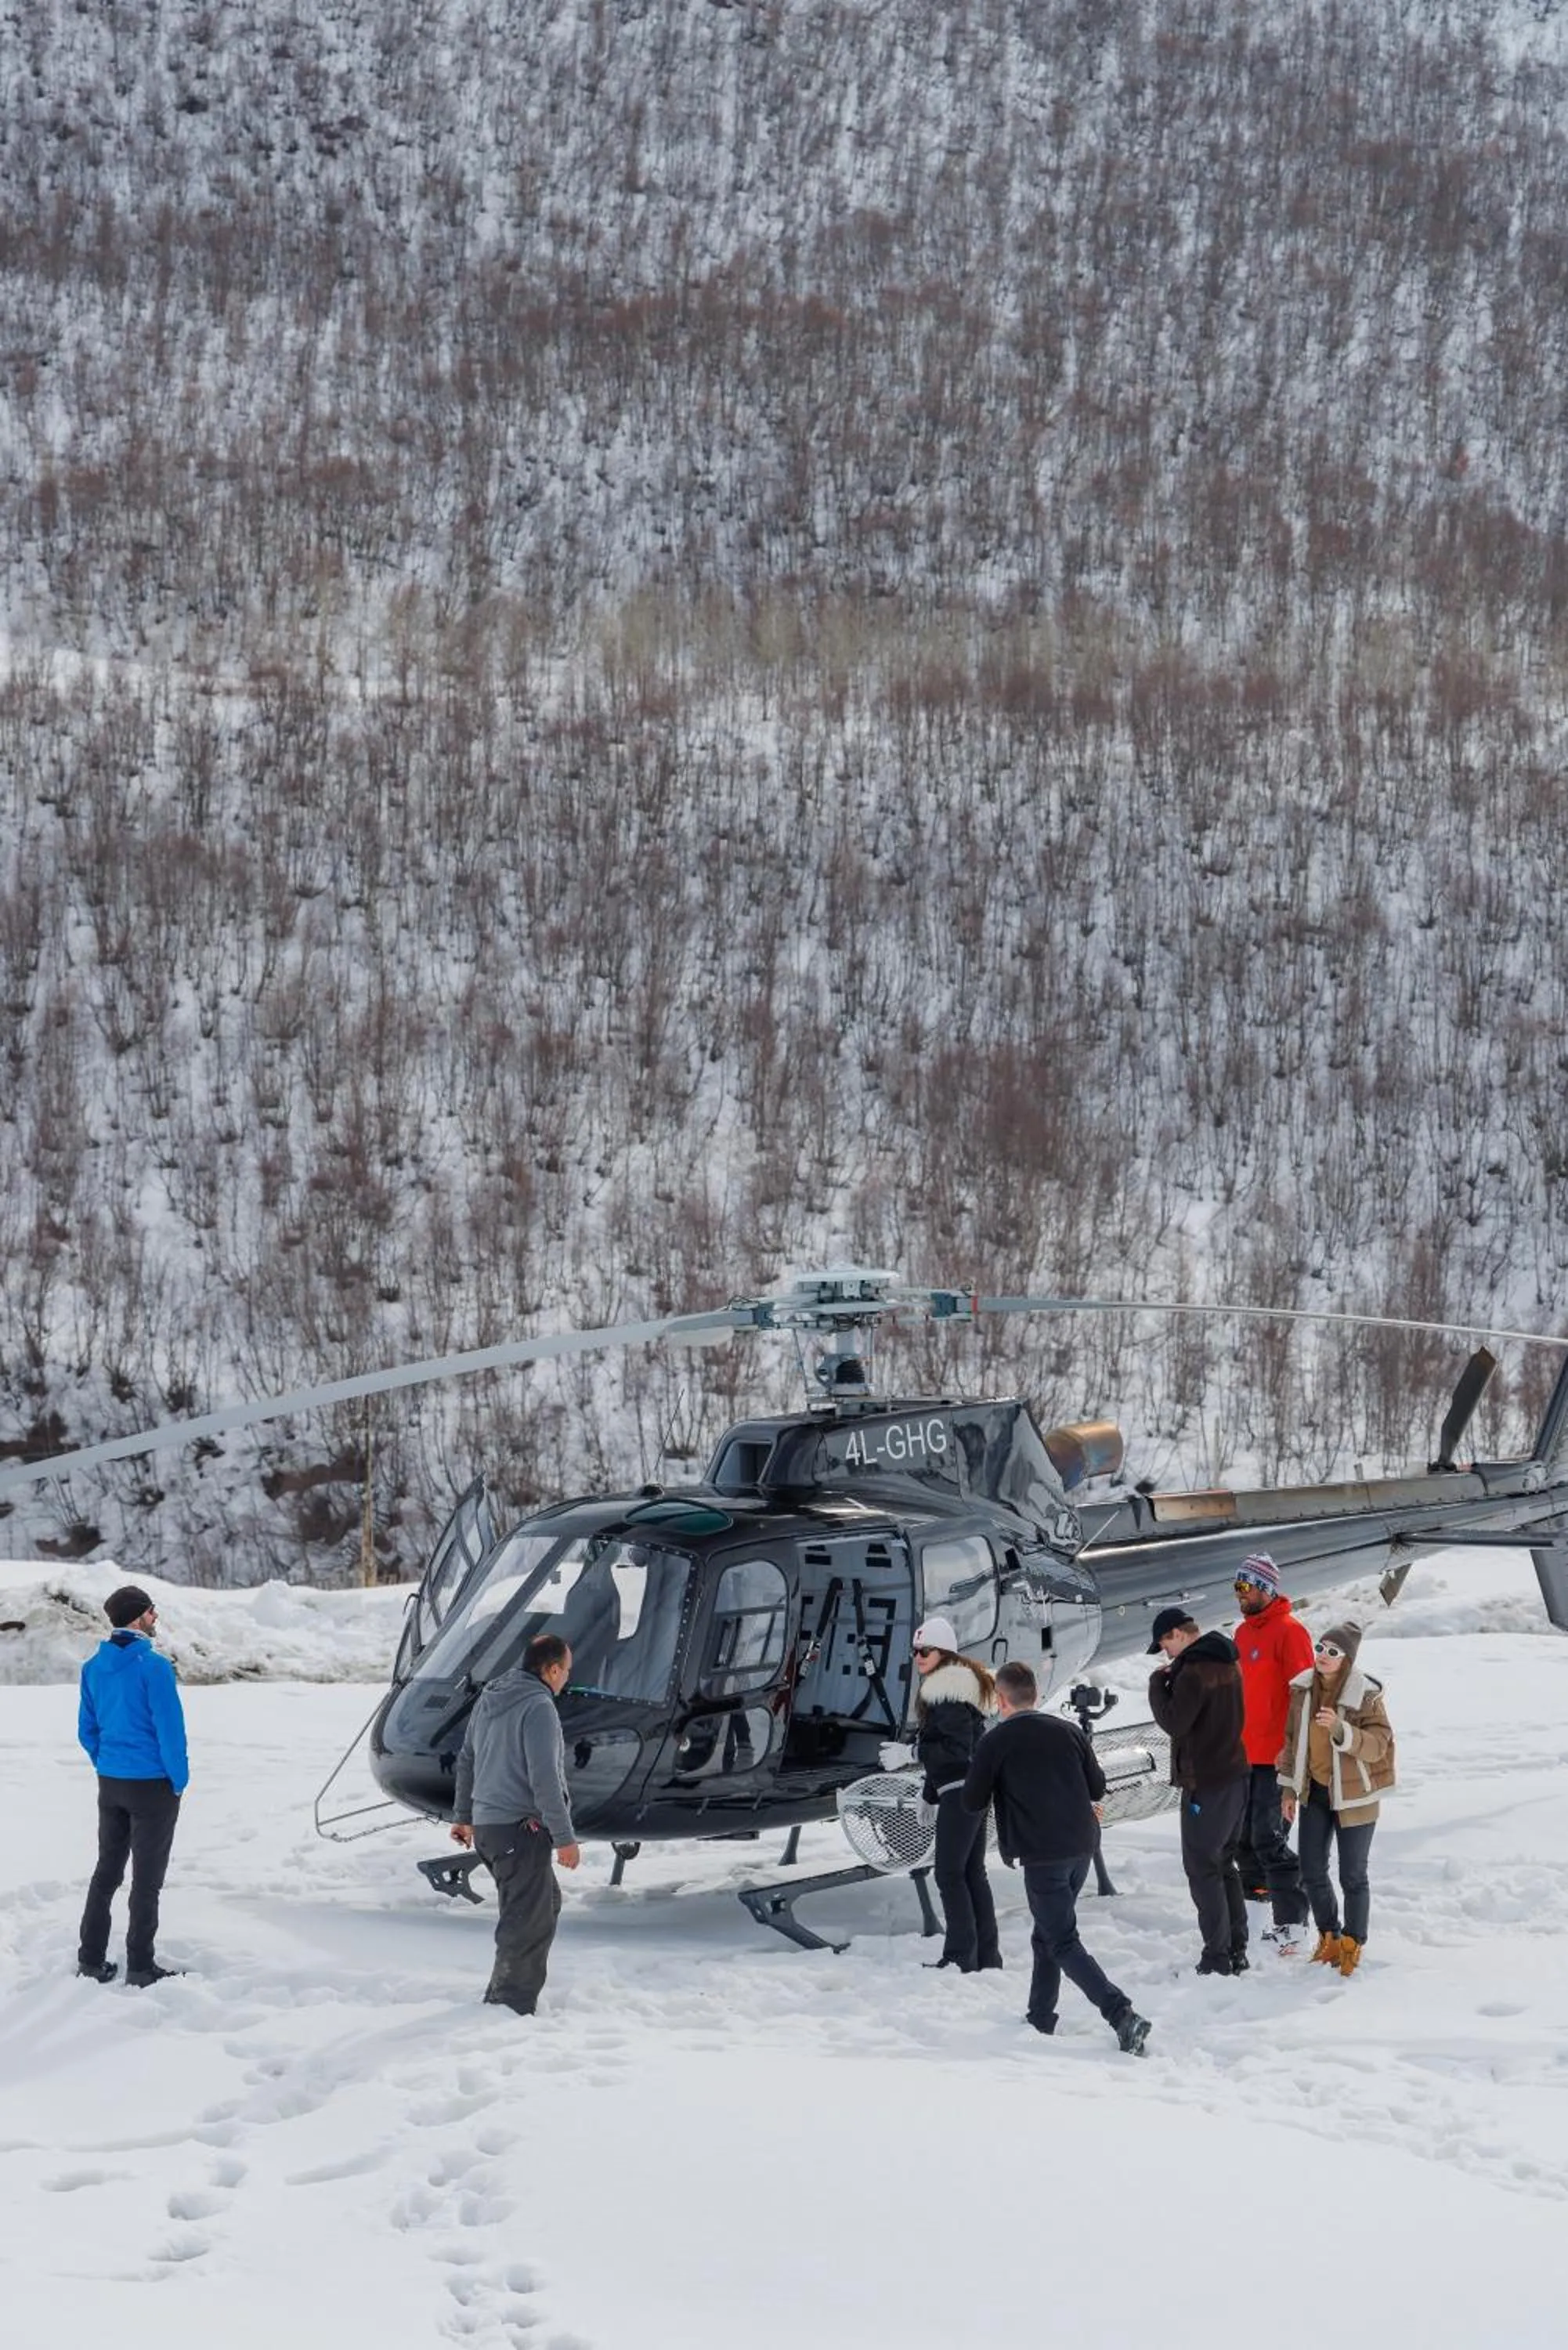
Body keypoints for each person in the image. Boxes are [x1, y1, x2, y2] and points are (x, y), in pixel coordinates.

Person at [961, 1660, 1151, 2055]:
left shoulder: (996, 1741)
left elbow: (972, 1800)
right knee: (1047, 1934)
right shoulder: (1068, 1731)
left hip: (1042, 1853)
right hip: (1082, 1846)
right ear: (1035, 1695)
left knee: (1062, 1940)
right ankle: (1040, 2016)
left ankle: (1121, 2014)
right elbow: (1097, 1788)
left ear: (1001, 1700)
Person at [451, 1632, 581, 2015]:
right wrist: (565, 1838)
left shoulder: (492, 1696)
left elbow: (467, 1758)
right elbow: (545, 1778)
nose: (567, 1678)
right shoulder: (538, 1706)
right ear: (552, 1670)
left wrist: (464, 1816)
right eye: (567, 1671)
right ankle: (509, 2008)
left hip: (490, 1829)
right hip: (517, 1830)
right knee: (526, 1922)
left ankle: (503, 1995)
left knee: (543, 1904)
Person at [76, 1584, 190, 1987]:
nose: (156, 1617)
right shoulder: (154, 1667)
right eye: (151, 1611)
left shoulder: (93, 1667)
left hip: (111, 1783)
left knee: (106, 1873)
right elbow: (170, 1732)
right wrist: (179, 1780)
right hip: (153, 1786)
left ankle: (90, 1960)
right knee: (146, 1881)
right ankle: (140, 1967)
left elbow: (87, 1730)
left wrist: (107, 1764)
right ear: (137, 1618)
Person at [1277, 1620, 1394, 1977]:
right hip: (1315, 1792)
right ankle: (1329, 1936)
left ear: (1347, 1659)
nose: (1323, 1656)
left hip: (1356, 1798)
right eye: (1320, 1648)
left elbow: (1378, 1746)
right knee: (1311, 1870)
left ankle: (1352, 1943)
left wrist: (1342, 1729)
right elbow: (1291, 1742)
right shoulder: (1302, 1690)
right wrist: (1289, 1789)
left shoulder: (1366, 1695)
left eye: (1333, 1651)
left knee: (1353, 1875)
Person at [883, 1614, 1000, 1972]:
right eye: (915, 1651)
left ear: (945, 1654)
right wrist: (930, 1792)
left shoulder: (947, 1694)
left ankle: (960, 1957)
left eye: (926, 1651)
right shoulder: (955, 1689)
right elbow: (960, 1750)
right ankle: (985, 1957)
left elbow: (957, 1750)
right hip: (967, 1791)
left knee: (949, 1874)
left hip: (962, 1793)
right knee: (972, 1872)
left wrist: (911, 1754)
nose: (918, 1657)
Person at [1146, 1606, 1250, 1976]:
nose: (1165, 1653)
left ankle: (1217, 1959)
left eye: (1164, 1644)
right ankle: (1236, 1949)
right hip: (1236, 1775)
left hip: (1207, 1783)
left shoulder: (1193, 1671)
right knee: (1223, 1864)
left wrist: (1157, 1686)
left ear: (1178, 1634)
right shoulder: (1227, 1659)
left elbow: (1175, 1722)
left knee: (1203, 1868)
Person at [1233, 1552, 1314, 1952]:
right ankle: (1256, 1919)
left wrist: (1294, 1751)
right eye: (1236, 1586)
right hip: (1243, 1757)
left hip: (1278, 1759)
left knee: (1270, 1840)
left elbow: (1305, 1696)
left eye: (1245, 1586)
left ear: (1265, 1588)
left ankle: (1294, 1923)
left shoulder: (1290, 1632)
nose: (1239, 1594)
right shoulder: (1242, 1634)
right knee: (1243, 1841)